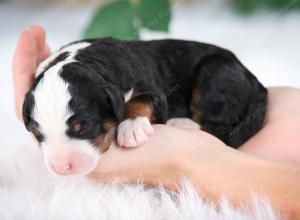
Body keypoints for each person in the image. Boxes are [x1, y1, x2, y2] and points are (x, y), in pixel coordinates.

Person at [13, 26, 300, 219]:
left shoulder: (118, 75)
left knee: (216, 79)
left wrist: (135, 116)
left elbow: (152, 96)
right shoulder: (51, 83)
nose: (59, 162)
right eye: (41, 136)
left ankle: (216, 132)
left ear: (112, 101)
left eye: (82, 129)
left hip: (215, 68)